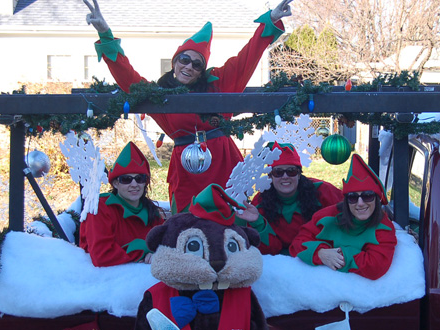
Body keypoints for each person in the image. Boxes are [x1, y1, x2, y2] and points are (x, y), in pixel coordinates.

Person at [83, 0, 294, 214]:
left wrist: (272, 19)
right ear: (174, 62)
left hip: (224, 165)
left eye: (197, 64)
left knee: (232, 225)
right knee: (185, 227)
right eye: (184, 59)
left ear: (202, 70)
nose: (189, 66)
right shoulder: (160, 95)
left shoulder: (219, 83)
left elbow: (248, 56)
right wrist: (104, 33)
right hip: (185, 172)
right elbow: (127, 77)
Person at [289, 153, 397, 280]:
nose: (360, 203)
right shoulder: (327, 217)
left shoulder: (384, 227)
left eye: (367, 196)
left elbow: (376, 267)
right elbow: (297, 244)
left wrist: (341, 256)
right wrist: (320, 253)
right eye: (353, 197)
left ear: (377, 199)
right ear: (346, 201)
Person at [236, 142, 343, 255]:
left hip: (320, 256)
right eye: (278, 172)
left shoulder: (323, 191)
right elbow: (271, 250)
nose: (285, 177)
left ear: (298, 174)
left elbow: (351, 210)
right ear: (270, 176)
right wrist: (258, 222)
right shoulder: (260, 202)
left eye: (291, 171)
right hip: (282, 263)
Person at [80, 142, 164, 267]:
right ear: (115, 183)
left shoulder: (151, 212)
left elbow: (167, 243)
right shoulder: (100, 208)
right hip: (106, 280)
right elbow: (102, 256)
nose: (134, 184)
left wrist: (158, 254)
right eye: (126, 179)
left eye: (139, 179)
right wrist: (142, 252)